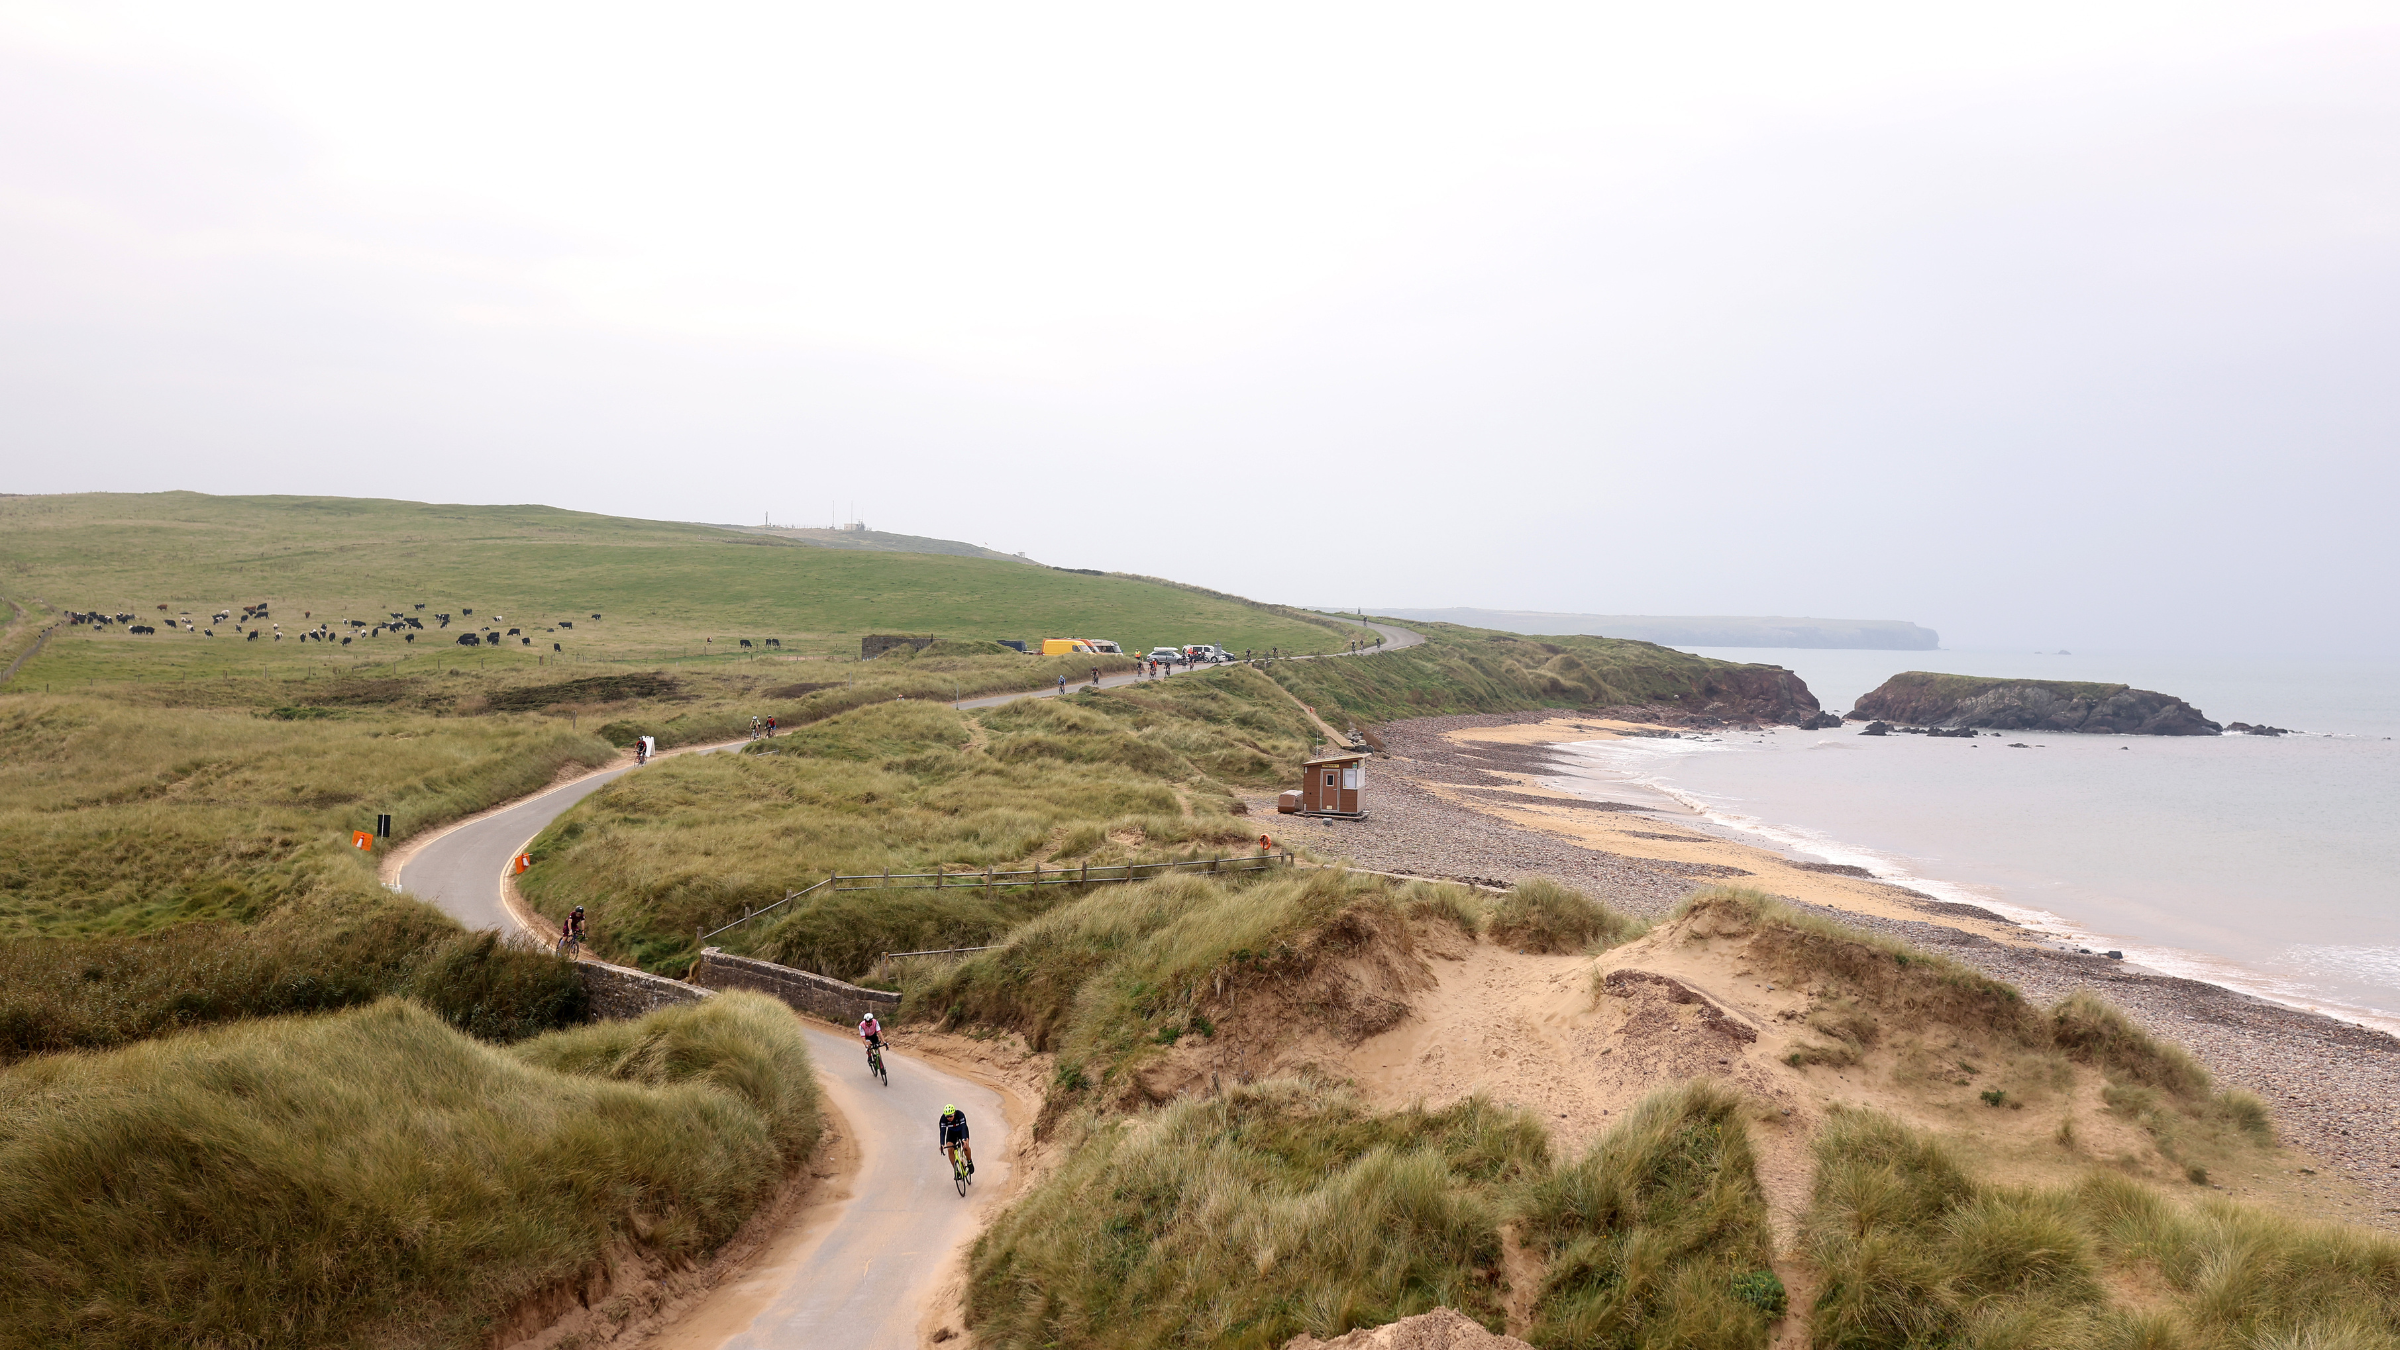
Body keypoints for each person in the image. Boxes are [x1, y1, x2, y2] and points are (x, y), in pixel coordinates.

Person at [938, 1103, 974, 1176]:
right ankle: (956, 1170)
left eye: (950, 1116)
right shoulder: (943, 1119)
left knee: (965, 1146)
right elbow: (942, 1132)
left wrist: (964, 1139)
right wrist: (942, 1144)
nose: (949, 1118)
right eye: (947, 1116)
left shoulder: (960, 1115)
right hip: (952, 1133)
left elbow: (964, 1127)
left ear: (954, 1113)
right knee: (949, 1149)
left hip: (961, 1131)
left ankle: (969, 1161)